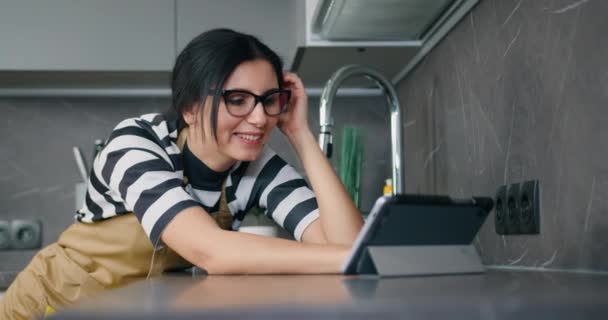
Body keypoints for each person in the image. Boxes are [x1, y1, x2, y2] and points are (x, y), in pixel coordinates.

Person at [0, 28, 363, 319]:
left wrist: (300, 134)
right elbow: (212, 252)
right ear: (190, 107)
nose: (259, 117)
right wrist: (349, 257)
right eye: (237, 99)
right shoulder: (137, 142)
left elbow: (346, 243)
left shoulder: (257, 167)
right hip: (50, 307)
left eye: (268, 100)